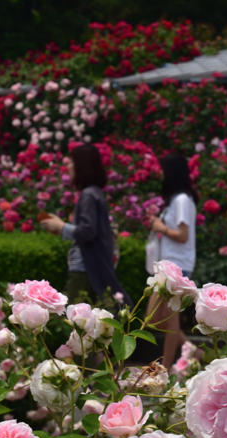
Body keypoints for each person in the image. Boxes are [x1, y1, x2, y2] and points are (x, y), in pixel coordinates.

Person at [40, 144, 131, 307]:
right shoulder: (94, 193)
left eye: (72, 162)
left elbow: (88, 231)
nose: (68, 166)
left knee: (73, 319)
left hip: (84, 268)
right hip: (89, 266)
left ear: (82, 165)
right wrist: (61, 228)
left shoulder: (88, 195)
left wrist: (61, 226)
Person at [145, 154, 198, 368]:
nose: (159, 174)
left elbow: (183, 235)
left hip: (177, 266)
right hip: (170, 265)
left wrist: (161, 228)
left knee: (163, 317)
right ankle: (191, 351)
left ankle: (164, 368)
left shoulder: (182, 200)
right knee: (157, 317)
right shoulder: (177, 201)